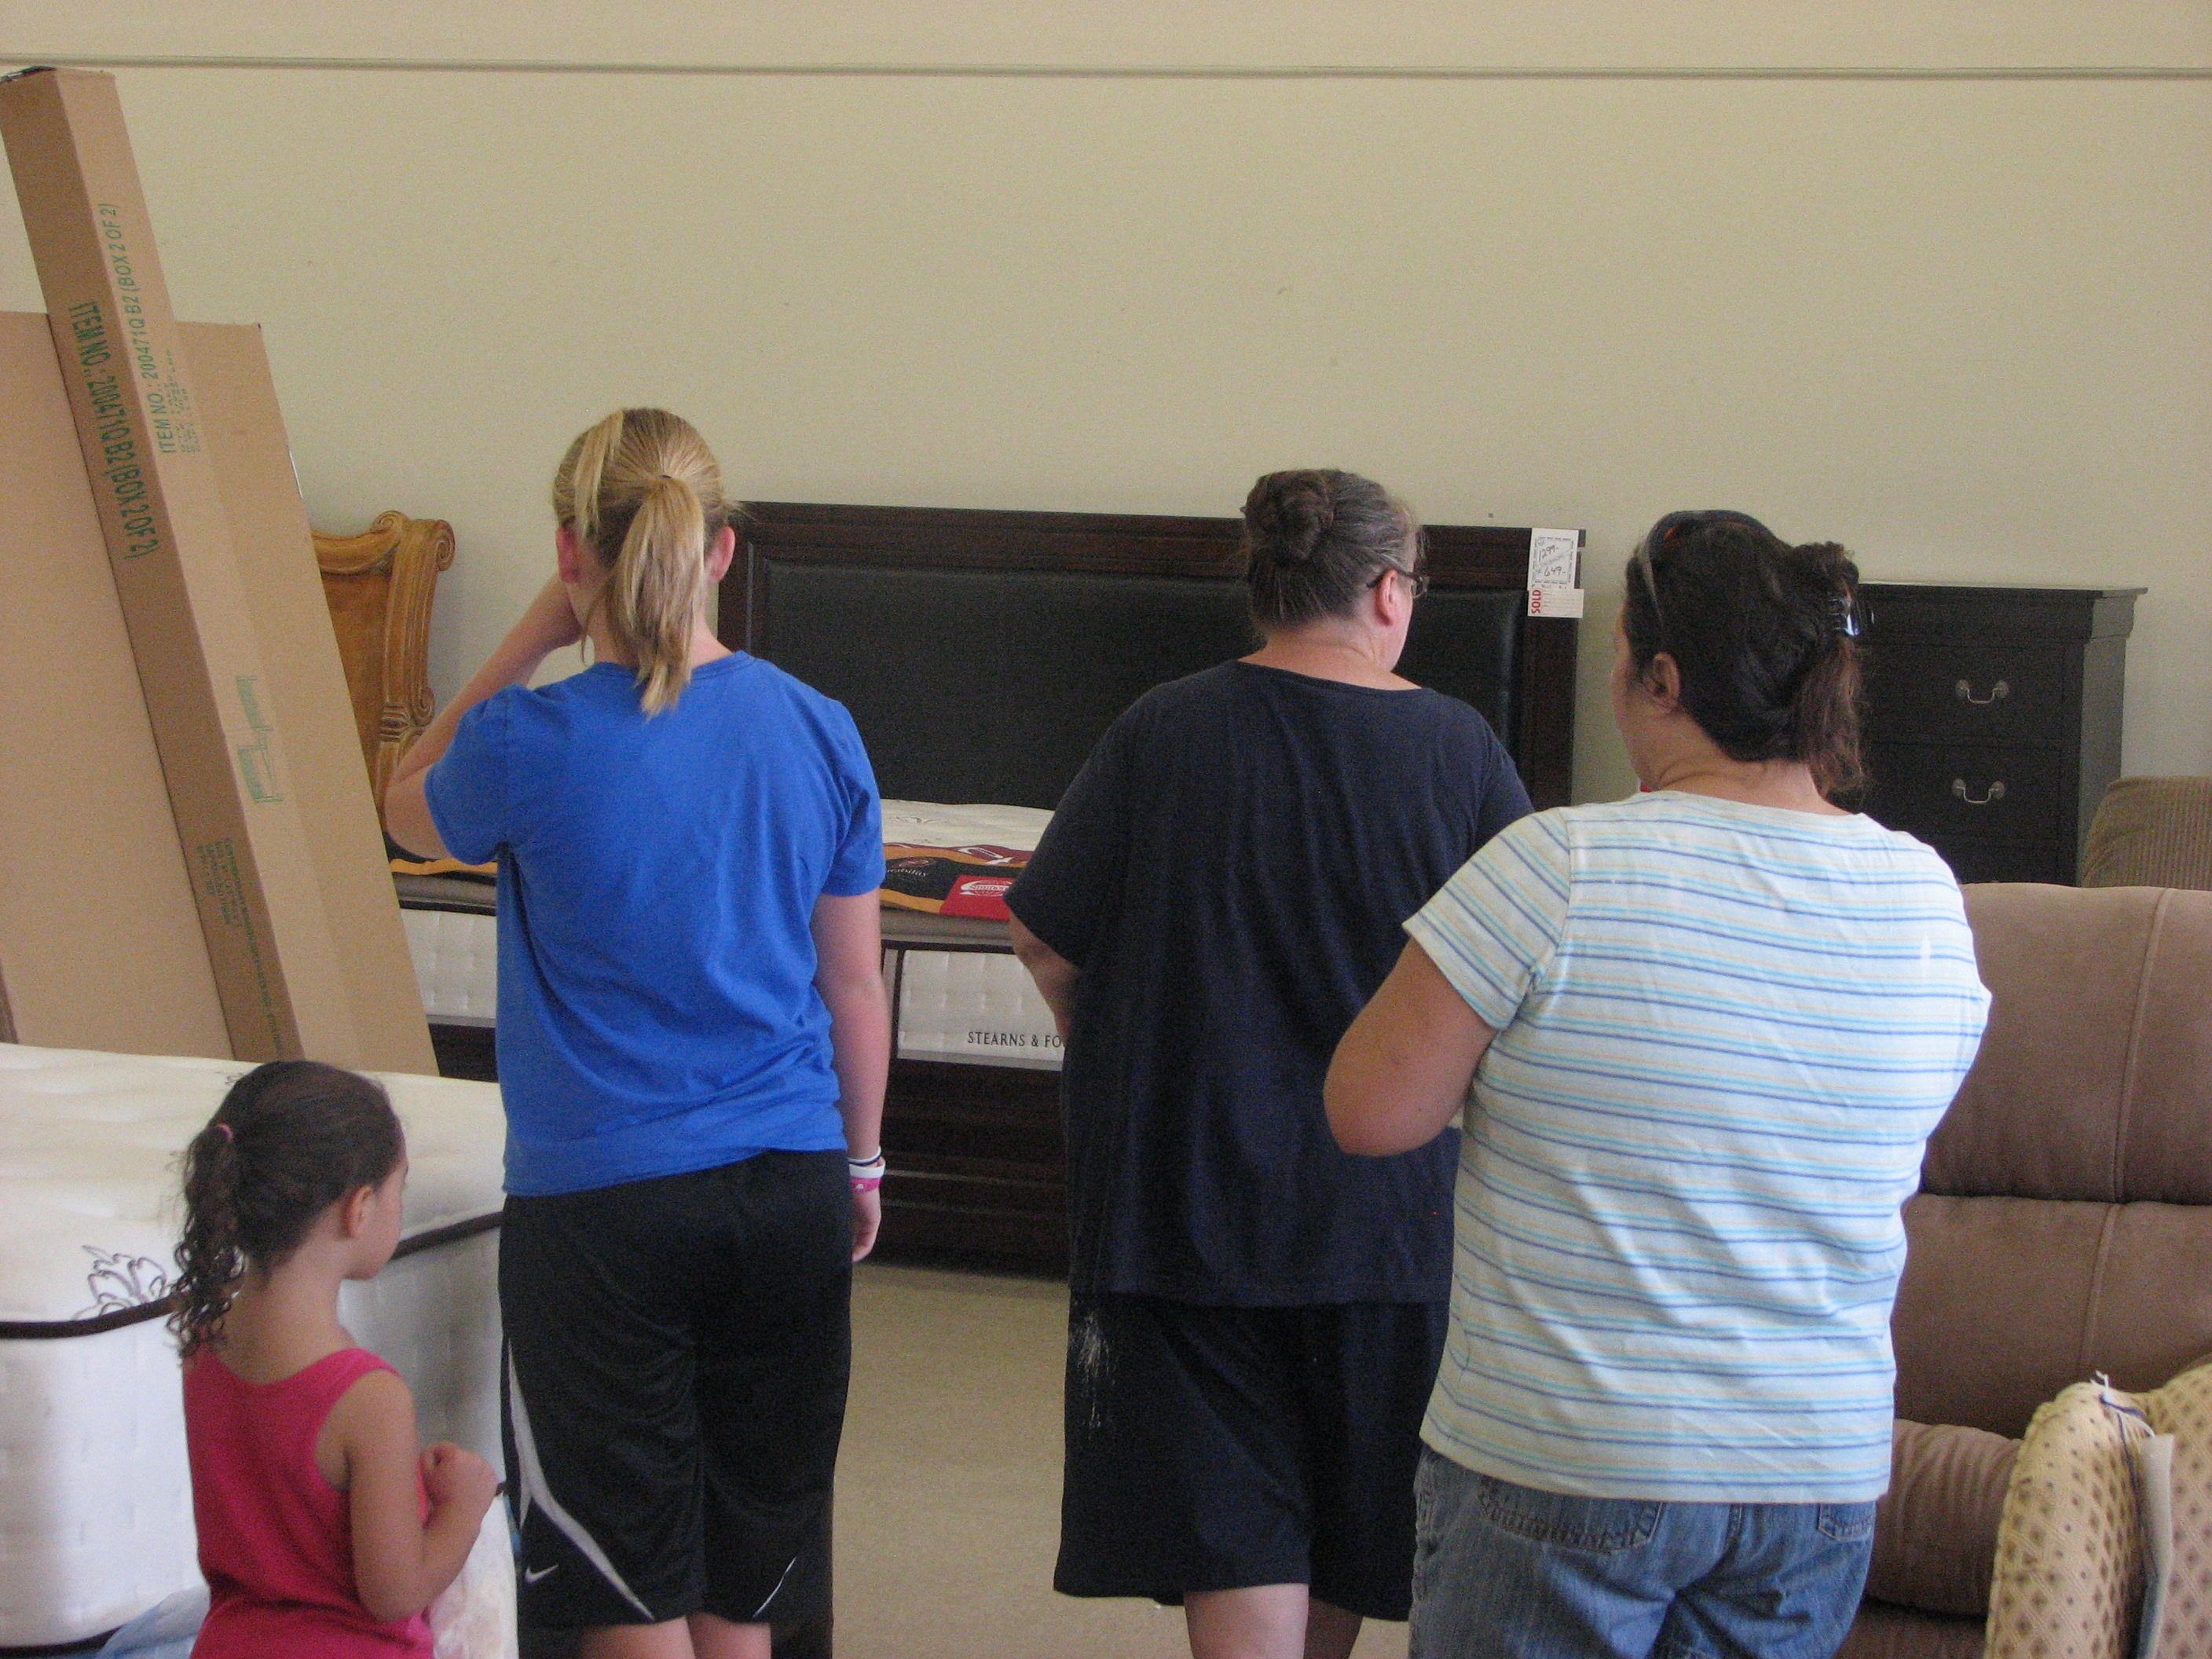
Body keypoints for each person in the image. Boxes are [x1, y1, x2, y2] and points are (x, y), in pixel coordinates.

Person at [1326, 510, 1994, 1659]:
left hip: (1568, 1454)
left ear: (1664, 681)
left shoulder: (1555, 865)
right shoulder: (1927, 894)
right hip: (1814, 1475)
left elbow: (1368, 1111)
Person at [383, 408, 890, 1659]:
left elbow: (401, 808)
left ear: (572, 553)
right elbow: (854, 986)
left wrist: (529, 637)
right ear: (721, 551)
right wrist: (862, 1164)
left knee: (623, 1583)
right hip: (790, 1186)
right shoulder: (819, 724)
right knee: (750, 1575)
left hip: (605, 1211)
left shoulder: (526, 739)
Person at [1006, 469, 1533, 1659]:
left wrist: (1119, 1048)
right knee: (1351, 1518)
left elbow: (1041, 934)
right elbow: (1520, 966)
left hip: (1188, 1208)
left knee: (1235, 1529)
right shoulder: (1458, 749)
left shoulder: (1162, 727)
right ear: (1389, 591)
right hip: (1385, 1224)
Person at [172, 1059, 500, 1657]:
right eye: (401, 1188)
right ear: (360, 1208)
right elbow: (395, 1592)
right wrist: (463, 1509)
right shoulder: (368, 1397)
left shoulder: (204, 1343)